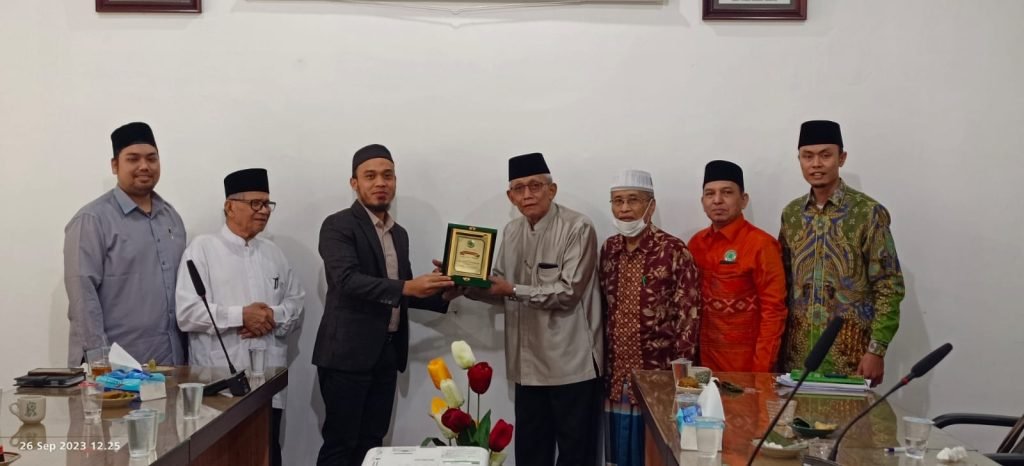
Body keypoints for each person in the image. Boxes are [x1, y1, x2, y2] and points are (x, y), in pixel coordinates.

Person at [313, 144, 454, 466]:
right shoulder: (338, 225)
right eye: (370, 176)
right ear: (354, 183)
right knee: (340, 444)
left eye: (387, 176)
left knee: (373, 443)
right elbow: (347, 280)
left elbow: (403, 293)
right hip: (346, 356)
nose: (380, 183)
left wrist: (447, 290)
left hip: (386, 354)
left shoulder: (399, 234)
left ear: (395, 181)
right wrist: (407, 286)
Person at [462, 152, 603, 466]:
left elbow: (568, 292)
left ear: (552, 190)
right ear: (510, 196)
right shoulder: (512, 231)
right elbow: (499, 287)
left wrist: (511, 289)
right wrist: (463, 283)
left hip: (570, 364)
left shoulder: (578, 227)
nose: (527, 194)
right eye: (519, 188)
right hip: (527, 367)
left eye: (535, 186)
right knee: (530, 455)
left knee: (576, 456)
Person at [175, 168, 304, 466]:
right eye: (255, 203)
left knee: (268, 455)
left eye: (267, 204)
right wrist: (241, 316)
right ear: (230, 206)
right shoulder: (202, 249)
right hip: (217, 385)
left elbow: (296, 304)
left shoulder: (274, 253)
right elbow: (187, 313)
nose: (264, 211)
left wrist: (270, 315)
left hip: (267, 385)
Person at [779, 120, 904, 385]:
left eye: (825, 155)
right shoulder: (792, 214)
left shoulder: (867, 213)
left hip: (851, 357)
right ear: (799, 160)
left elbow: (889, 285)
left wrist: (876, 350)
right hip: (797, 358)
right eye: (808, 156)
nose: (816, 164)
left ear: (842, 158)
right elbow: (784, 283)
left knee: (848, 415)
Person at [64, 122, 187, 367]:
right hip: (116, 368)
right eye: (133, 159)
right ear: (115, 165)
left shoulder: (171, 217)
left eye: (152, 158)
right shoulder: (92, 220)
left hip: (171, 364)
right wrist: (101, 363)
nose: (144, 166)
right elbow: (82, 297)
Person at [599, 169, 700, 466]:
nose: (624, 209)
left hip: (660, 378)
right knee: (618, 454)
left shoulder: (673, 250)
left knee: (655, 454)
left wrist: (683, 380)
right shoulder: (609, 249)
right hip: (617, 378)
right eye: (617, 201)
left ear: (651, 206)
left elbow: (689, 316)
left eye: (633, 200)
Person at [688, 160, 786, 373]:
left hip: (745, 367)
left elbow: (773, 311)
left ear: (743, 200)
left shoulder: (761, 245)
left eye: (727, 192)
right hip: (702, 367)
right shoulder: (696, 244)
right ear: (702, 201)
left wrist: (760, 371)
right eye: (710, 194)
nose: (717, 200)